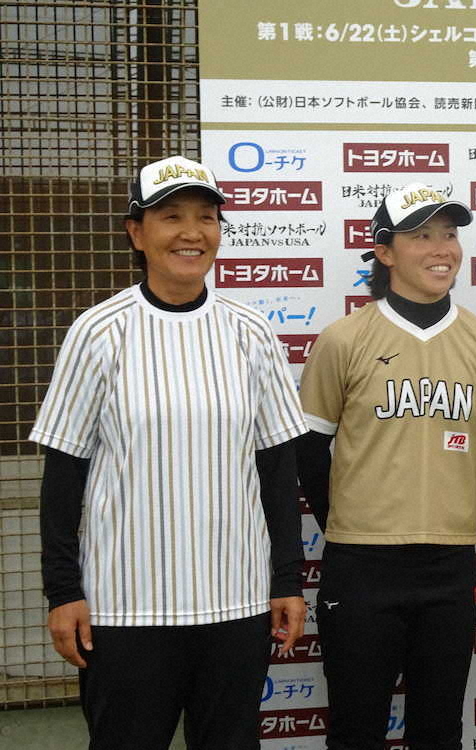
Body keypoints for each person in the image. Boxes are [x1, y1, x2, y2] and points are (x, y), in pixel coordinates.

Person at [31, 155, 308, 750]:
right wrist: (64, 591)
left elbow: (276, 470)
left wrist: (286, 579)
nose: (191, 232)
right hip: (126, 606)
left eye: (206, 217)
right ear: (137, 232)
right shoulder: (98, 331)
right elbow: (64, 471)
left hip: (234, 599)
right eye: (171, 216)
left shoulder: (250, 331)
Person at [295, 182, 476, 750]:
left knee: (438, 729)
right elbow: (308, 450)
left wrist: (447, 508)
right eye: (422, 235)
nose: (442, 248)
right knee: (355, 728)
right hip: (361, 563)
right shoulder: (343, 338)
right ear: (386, 252)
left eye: (449, 234)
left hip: (449, 562)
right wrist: (351, 522)